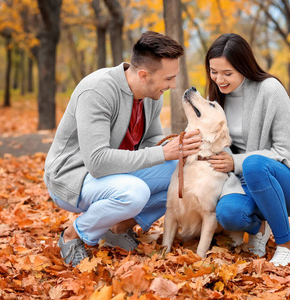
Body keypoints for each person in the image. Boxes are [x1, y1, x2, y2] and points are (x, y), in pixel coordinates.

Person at [43, 31, 201, 266]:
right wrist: (161, 153)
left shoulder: (151, 95)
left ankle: (117, 229)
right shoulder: (97, 91)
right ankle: (72, 236)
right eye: (168, 79)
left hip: (116, 174)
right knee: (134, 192)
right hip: (73, 176)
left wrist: (175, 148)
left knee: (185, 172)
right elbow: (97, 162)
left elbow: (153, 141)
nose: (173, 85)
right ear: (144, 75)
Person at [204, 33, 290, 266]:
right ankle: (261, 226)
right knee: (229, 215)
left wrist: (236, 162)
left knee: (253, 164)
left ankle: (286, 245)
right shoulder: (216, 96)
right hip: (243, 181)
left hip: (289, 183)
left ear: (244, 67)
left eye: (228, 73)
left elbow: (284, 149)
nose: (219, 79)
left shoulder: (270, 89)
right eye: (213, 71)